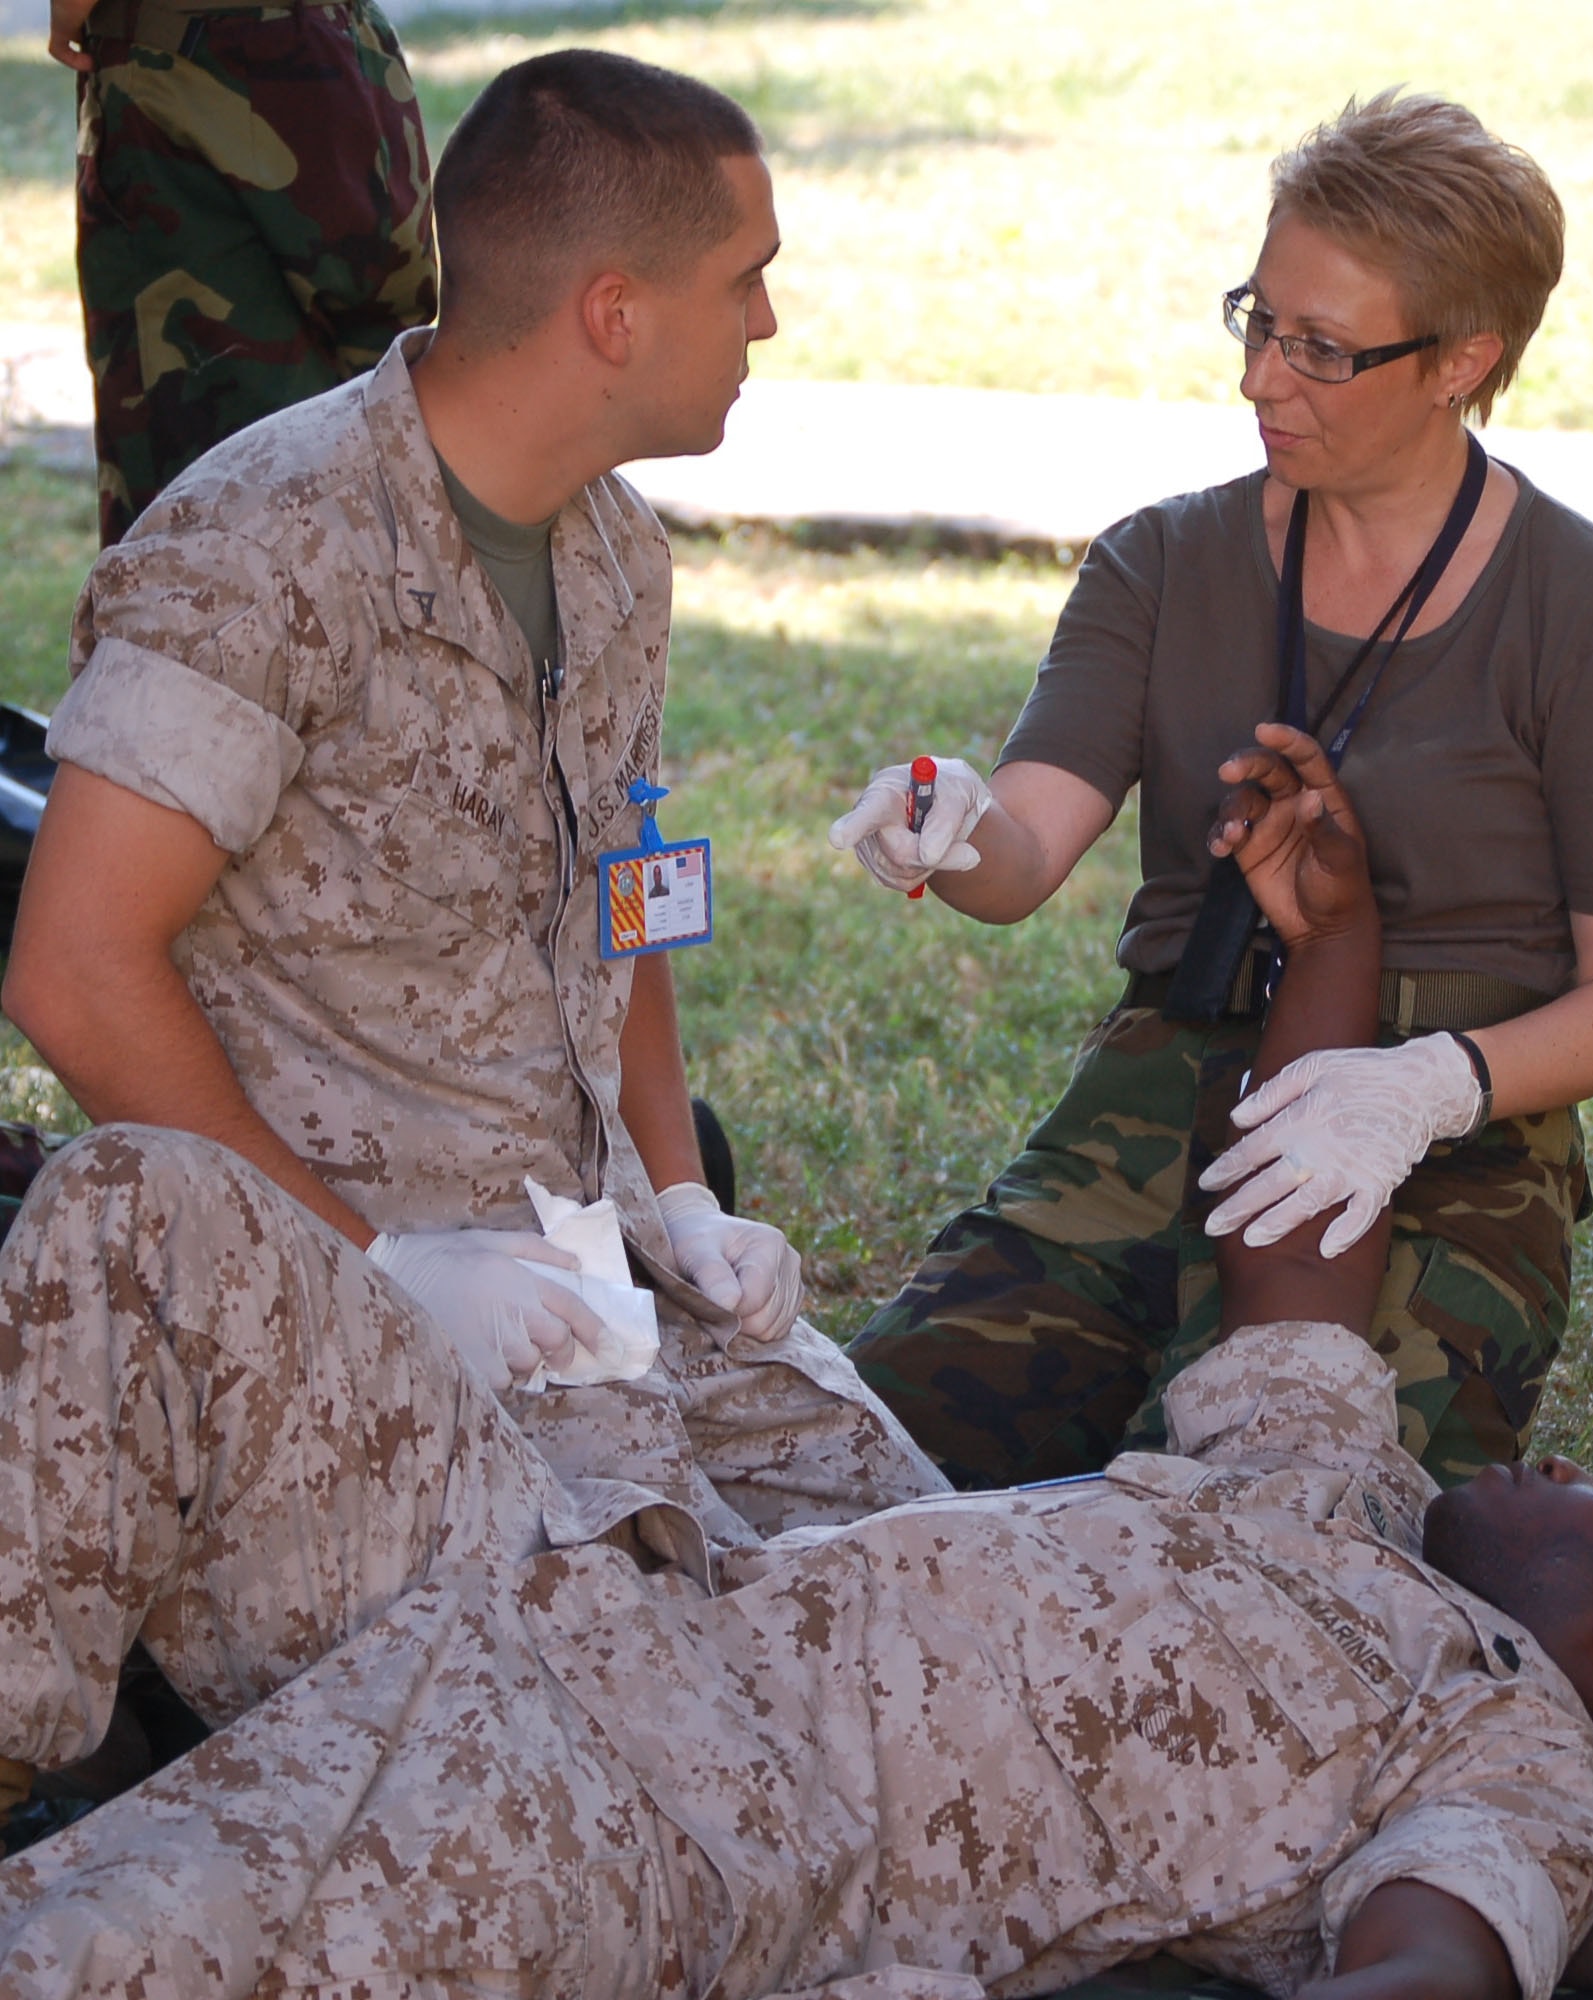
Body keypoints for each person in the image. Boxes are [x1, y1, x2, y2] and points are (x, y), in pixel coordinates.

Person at [0, 749, 1593, 2000]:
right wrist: (1331, 939)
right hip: (615, 1578)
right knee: (141, 1199)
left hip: (685, 1828)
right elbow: (1294, 1253)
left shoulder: (1501, 1749)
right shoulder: (1344, 1501)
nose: (1572, 1474)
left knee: (93, 1950)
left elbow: (1432, 1963)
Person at [3, 51, 943, 1537]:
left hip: (605, 1284)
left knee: (934, 1558)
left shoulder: (617, 555)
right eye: (746, 278)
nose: (767, 318)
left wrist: (686, 1198)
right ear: (616, 315)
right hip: (360, 1325)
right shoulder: (262, 549)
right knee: (709, 1688)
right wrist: (379, 1272)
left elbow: (621, 892)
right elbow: (72, 973)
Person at [832, 89, 1593, 1492]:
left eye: (1321, 349)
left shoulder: (1591, 610)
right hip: (1169, 1086)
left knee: (1287, 1521)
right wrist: (945, 820)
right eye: (1259, 318)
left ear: (1460, 362)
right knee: (859, 1462)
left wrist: (1425, 1087)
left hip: (1442, 1132)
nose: (1260, 378)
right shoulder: (1160, 564)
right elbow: (1025, 849)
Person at [48, 0, 437, 549]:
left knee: (199, 499)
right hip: (339, 43)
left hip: (189, 60)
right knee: (382, 410)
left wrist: (69, 12)